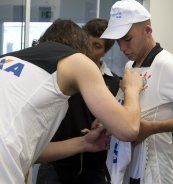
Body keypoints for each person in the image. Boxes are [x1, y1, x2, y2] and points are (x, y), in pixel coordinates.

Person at [0, 19, 144, 184]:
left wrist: (83, 143)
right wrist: (132, 89)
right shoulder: (76, 60)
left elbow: (30, 151)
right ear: (82, 51)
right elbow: (128, 129)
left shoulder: (1, 60)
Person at [100, 0, 173, 183]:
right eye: (118, 41)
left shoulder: (167, 64)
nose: (122, 47)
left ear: (148, 31)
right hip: (127, 164)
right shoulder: (130, 64)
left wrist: (152, 128)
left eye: (127, 39)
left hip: (154, 170)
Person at [36, 18, 119, 184]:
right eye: (87, 42)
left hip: (93, 164)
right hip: (54, 160)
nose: (89, 49)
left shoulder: (114, 82)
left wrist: (105, 124)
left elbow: (120, 125)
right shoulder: (60, 74)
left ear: (105, 51)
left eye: (97, 46)